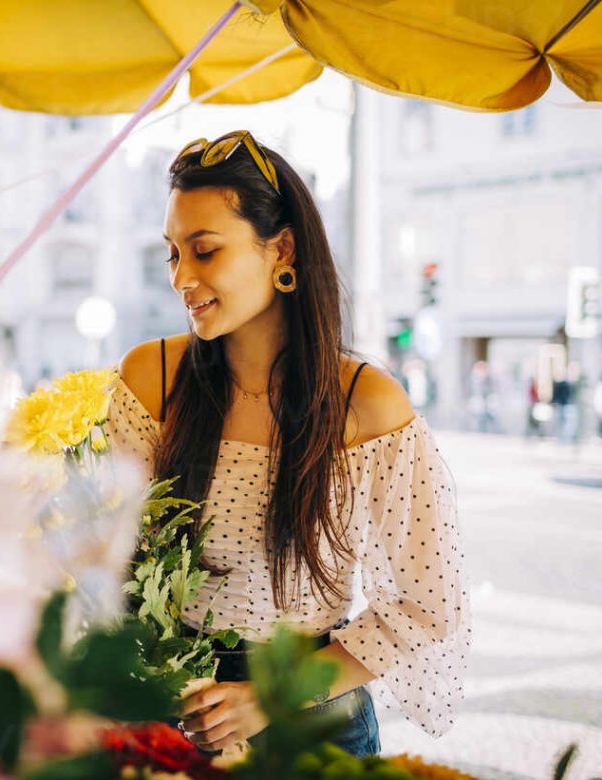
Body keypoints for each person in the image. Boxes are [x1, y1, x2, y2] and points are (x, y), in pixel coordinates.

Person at [104, 131, 470, 757]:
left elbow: (425, 605)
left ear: (283, 250)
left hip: (313, 723)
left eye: (205, 250)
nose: (181, 278)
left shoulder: (368, 404)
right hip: (173, 718)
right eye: (172, 254)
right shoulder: (150, 378)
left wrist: (270, 697)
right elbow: (105, 560)